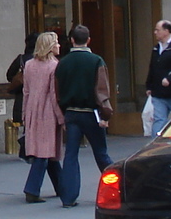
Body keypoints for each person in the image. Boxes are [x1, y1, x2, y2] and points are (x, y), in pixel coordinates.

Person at [55, 24, 113, 209]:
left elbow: (57, 91)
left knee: (71, 154)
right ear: (88, 40)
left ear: (71, 40)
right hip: (92, 113)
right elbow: (102, 90)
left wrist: (63, 112)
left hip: (71, 112)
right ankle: (118, 188)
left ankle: (68, 197)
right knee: (101, 153)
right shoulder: (96, 61)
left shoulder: (62, 63)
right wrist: (105, 114)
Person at [19, 32, 64, 204]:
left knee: (46, 151)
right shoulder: (54, 66)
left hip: (32, 110)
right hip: (47, 112)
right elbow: (54, 95)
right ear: (49, 46)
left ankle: (62, 187)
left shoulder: (29, 65)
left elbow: (26, 92)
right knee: (44, 153)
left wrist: (24, 114)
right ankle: (32, 189)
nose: (59, 45)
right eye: (56, 43)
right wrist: (61, 118)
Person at [6, 34, 37, 159]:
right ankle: (27, 148)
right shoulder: (41, 59)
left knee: (27, 124)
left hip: (22, 97)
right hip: (36, 96)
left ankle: (26, 148)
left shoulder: (21, 59)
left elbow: (9, 75)